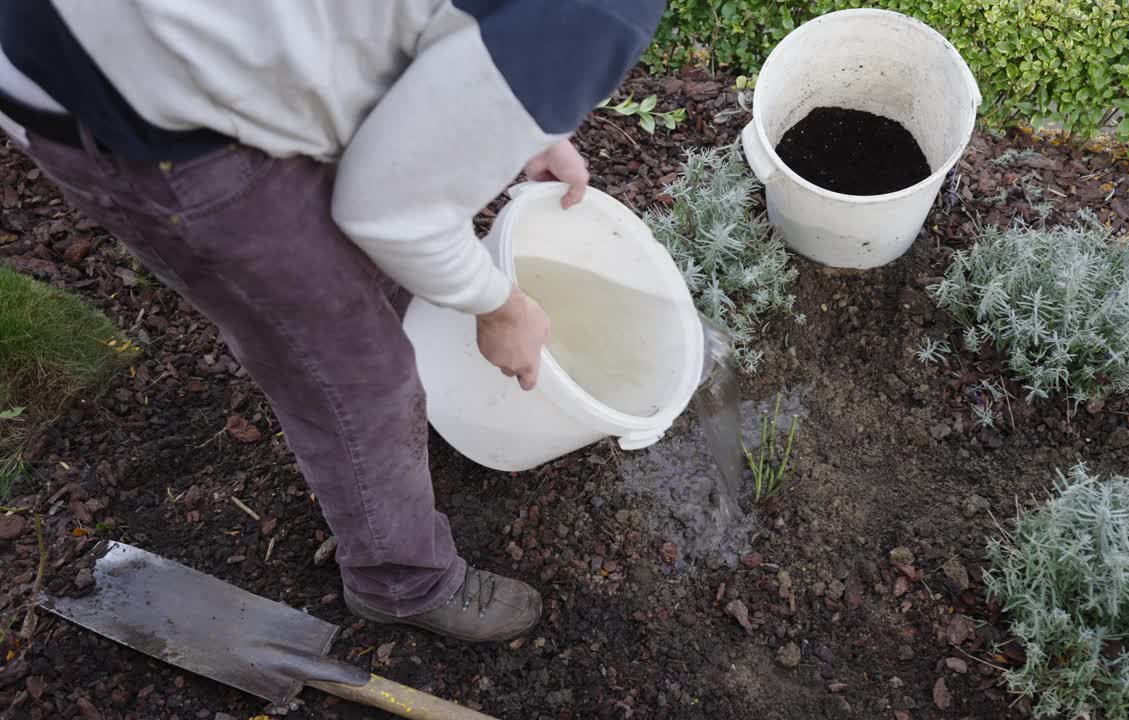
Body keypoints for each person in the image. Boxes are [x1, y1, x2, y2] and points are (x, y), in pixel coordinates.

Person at [0, 0, 666, 642]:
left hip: (203, 61)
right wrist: (502, 307)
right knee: (357, 382)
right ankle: (401, 584)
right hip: (140, 114)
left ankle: (397, 450)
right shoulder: (599, 9)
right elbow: (390, 214)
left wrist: (524, 114)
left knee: (384, 279)